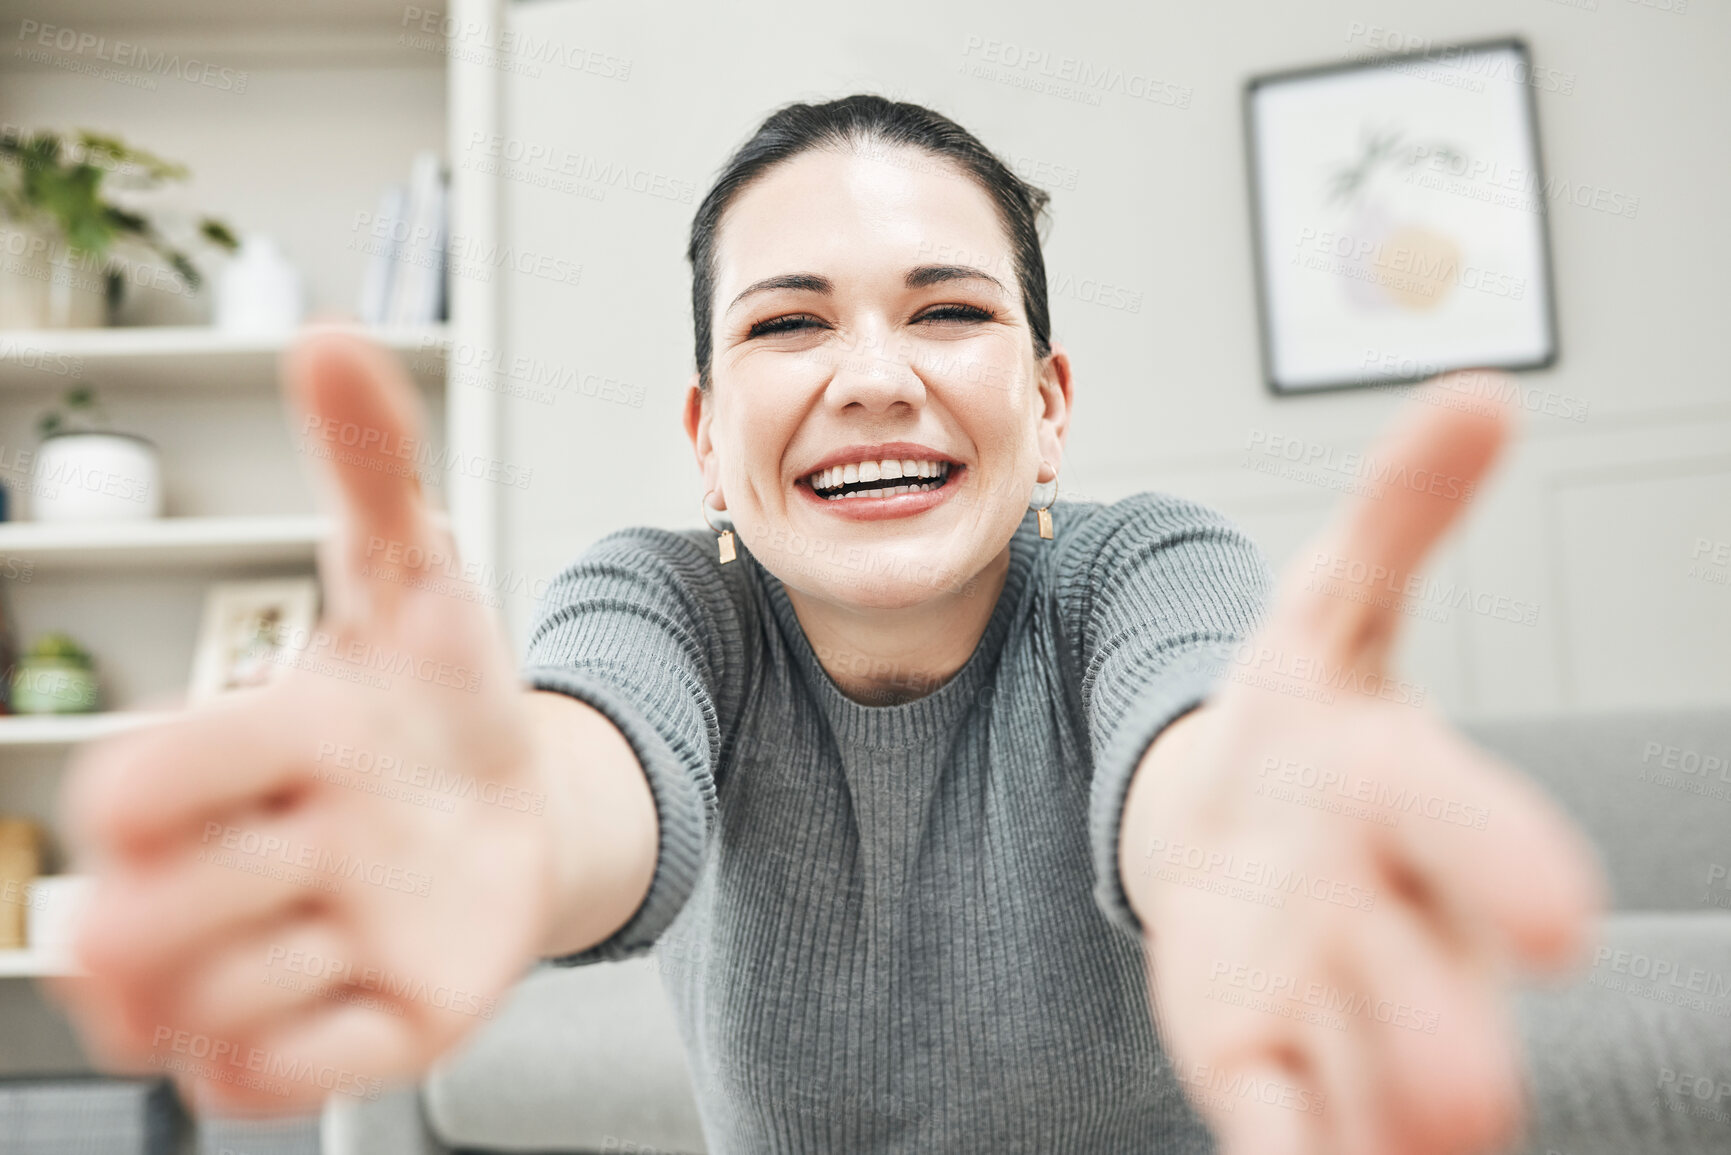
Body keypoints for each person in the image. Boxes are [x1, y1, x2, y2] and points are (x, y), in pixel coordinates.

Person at [54, 95, 1600, 1154]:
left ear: (1048, 408)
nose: (872, 374)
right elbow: (586, 765)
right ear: (708, 429)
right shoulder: (665, 599)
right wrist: (499, 830)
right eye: (788, 323)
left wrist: (1252, 840)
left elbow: (1194, 760)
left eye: (949, 310)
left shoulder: (1149, 570)